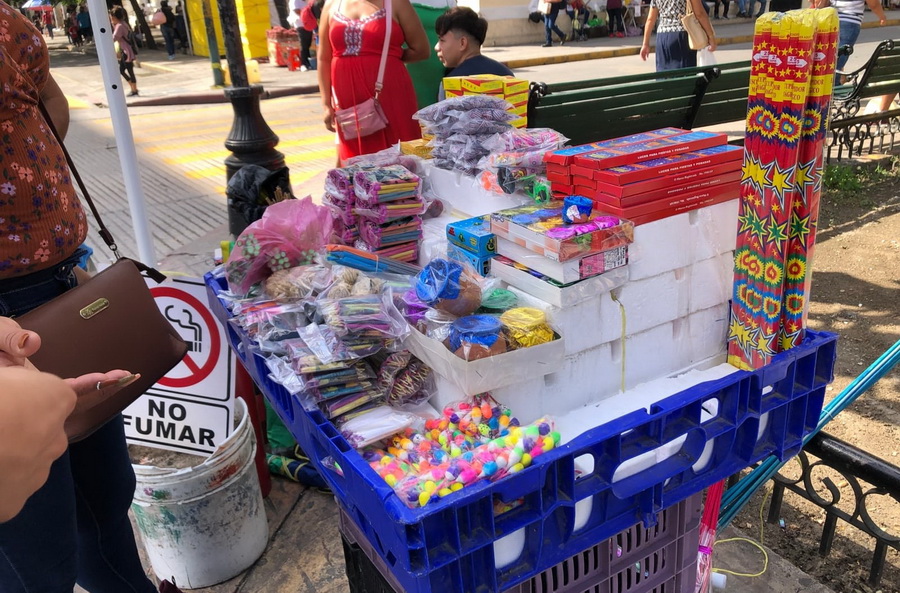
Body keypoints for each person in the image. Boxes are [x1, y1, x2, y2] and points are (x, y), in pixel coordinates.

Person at [0, 4, 182, 591]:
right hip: (7, 323)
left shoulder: (7, 17)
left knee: (105, 495)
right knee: (35, 542)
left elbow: (47, 98)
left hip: (62, 285)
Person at [317, 0, 430, 162]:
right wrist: (326, 104)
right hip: (348, 103)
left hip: (391, 95)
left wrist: (389, 56)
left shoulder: (397, 3)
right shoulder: (332, 5)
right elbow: (323, 58)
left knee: (400, 157)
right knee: (355, 162)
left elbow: (421, 49)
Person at [433, 7, 513, 100]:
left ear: (462, 43)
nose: (436, 47)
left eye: (442, 40)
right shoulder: (507, 74)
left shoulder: (451, 86)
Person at [640, 0, 716, 71]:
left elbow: (650, 19)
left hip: (662, 37)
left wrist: (645, 44)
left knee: (664, 75)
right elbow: (700, 14)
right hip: (681, 35)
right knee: (684, 74)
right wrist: (711, 36)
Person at [832, 0, 886, 75]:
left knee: (829, 57)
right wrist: (882, 16)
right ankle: (836, 80)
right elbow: (873, 3)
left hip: (829, 17)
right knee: (839, 61)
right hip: (850, 19)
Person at [110, 6, 139, 96]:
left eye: (111, 17)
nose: (111, 19)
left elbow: (114, 38)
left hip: (126, 51)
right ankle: (133, 88)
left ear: (115, 17)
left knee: (127, 71)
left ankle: (134, 89)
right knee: (123, 70)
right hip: (126, 50)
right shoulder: (123, 23)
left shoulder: (119, 26)